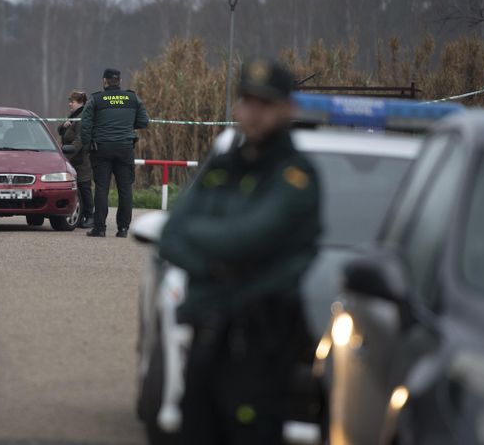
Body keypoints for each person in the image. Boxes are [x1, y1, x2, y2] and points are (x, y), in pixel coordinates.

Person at [157, 58, 321, 444]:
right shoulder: (222, 167)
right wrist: (224, 260)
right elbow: (172, 235)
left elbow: (247, 239)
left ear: (287, 109)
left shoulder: (295, 177)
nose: (255, 112)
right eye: (248, 101)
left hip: (262, 344)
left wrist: (206, 245)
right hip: (208, 337)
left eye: (266, 103)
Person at [80, 68, 149, 238]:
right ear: (119, 80)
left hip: (101, 148)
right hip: (125, 148)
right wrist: (126, 126)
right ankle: (123, 229)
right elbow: (143, 122)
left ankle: (100, 228)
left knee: (102, 188)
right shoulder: (133, 98)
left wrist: (88, 146)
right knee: (125, 189)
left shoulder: (96, 99)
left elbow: (85, 125)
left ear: (104, 81)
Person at [58, 90, 95, 229]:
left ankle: (90, 216)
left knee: (85, 189)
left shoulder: (82, 118)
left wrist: (64, 158)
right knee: (78, 190)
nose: (69, 104)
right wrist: (63, 126)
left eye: (72, 101)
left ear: (80, 103)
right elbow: (60, 130)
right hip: (72, 160)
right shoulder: (73, 116)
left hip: (81, 161)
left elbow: (79, 141)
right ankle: (81, 217)